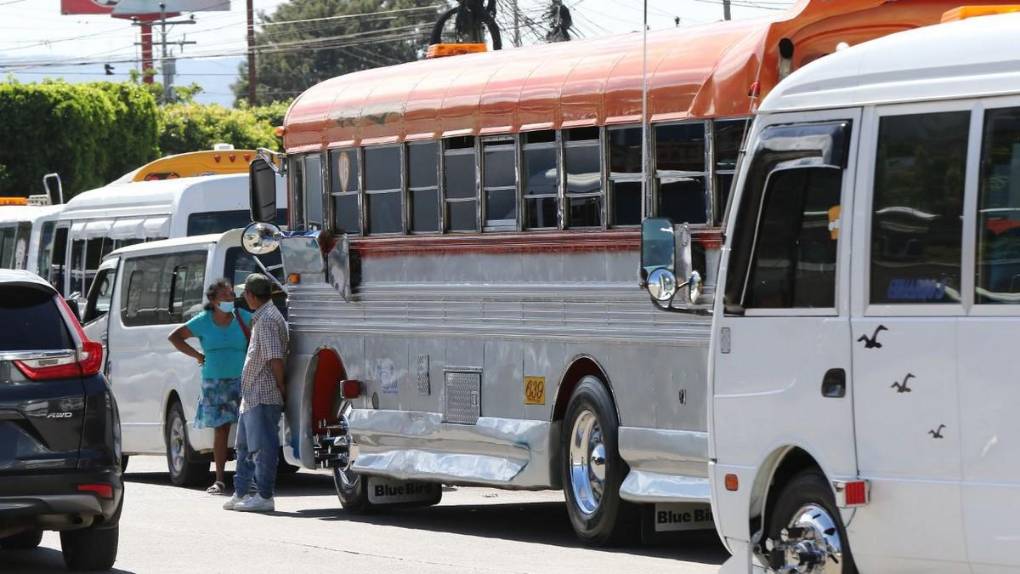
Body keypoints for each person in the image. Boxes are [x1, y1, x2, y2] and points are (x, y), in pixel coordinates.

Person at [168, 279, 252, 494]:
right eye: (225, 297)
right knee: (221, 430)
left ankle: (250, 476)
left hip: (242, 379)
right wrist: (197, 355)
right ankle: (220, 479)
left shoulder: (243, 318)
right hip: (214, 382)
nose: (230, 300)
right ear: (213, 300)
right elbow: (175, 337)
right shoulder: (203, 321)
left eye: (232, 296)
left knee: (248, 429)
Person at [224, 273, 288, 513]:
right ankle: (242, 492)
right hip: (252, 394)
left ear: (251, 295)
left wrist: (281, 386)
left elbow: (275, 358)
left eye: (245, 293)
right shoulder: (263, 316)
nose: (244, 297)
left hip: (264, 393)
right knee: (244, 447)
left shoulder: (268, 318)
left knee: (262, 447)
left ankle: (263, 495)